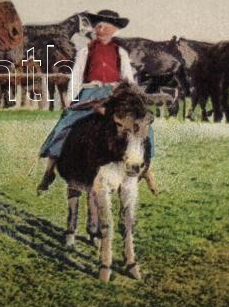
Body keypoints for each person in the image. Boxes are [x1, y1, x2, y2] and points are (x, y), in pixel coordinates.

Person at [37, 10, 157, 193]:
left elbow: (128, 78)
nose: (99, 28)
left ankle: (147, 168)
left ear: (113, 29)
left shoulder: (120, 52)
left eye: (104, 25)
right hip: (90, 93)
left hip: (115, 95)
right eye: (97, 25)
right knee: (65, 123)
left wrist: (134, 99)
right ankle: (50, 169)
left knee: (142, 126)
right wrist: (70, 98)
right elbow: (77, 75)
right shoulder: (86, 50)